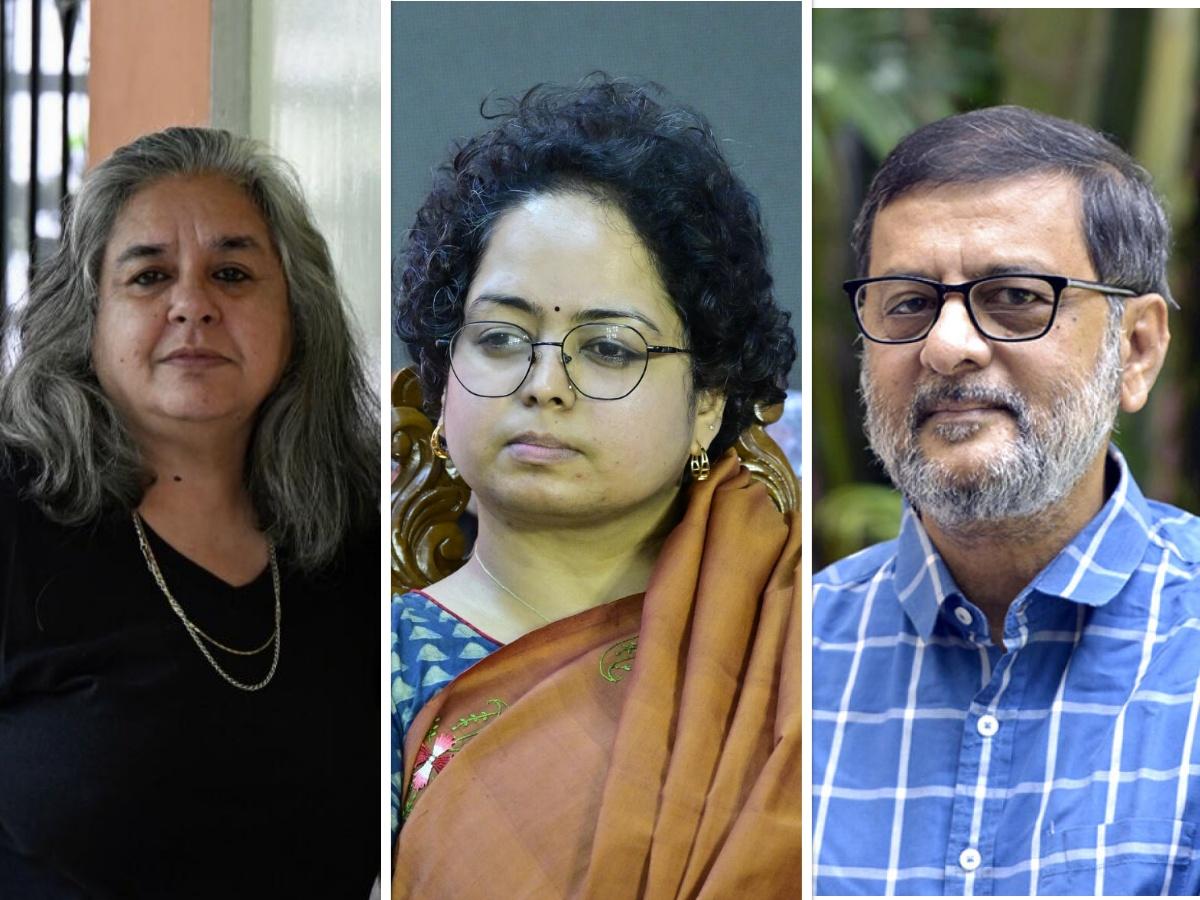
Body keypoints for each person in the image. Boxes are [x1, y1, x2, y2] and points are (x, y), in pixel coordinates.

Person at [392, 78, 801, 897]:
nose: (545, 383)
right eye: (502, 338)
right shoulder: (375, 661)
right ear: (443, 379)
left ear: (707, 404)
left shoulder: (785, 640)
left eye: (610, 349)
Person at [811, 105, 1200, 895]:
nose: (948, 346)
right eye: (909, 302)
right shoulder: (785, 654)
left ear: (1136, 349)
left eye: (1017, 296)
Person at [0, 127, 379, 897]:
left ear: (296, 317)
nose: (192, 306)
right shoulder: (16, 512)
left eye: (232, 273)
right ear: (89, 320)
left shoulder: (358, 526)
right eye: (148, 277)